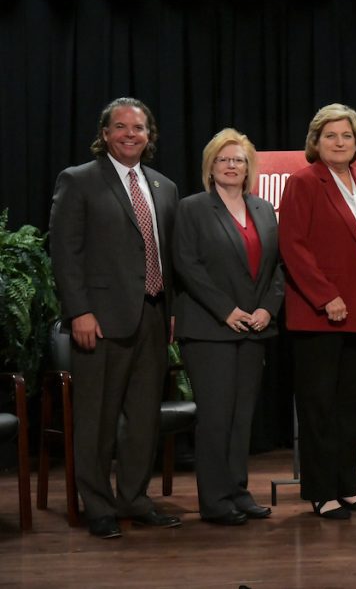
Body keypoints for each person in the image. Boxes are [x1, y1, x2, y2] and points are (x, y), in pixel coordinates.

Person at [49, 97, 181, 539]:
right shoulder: (79, 180)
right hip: (101, 319)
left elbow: (169, 256)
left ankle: (134, 500)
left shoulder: (164, 186)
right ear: (105, 134)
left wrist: (172, 312)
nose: (130, 134)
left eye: (138, 128)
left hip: (153, 315)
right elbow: (65, 252)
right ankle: (99, 507)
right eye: (120, 127)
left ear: (149, 135)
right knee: (97, 419)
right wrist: (79, 311)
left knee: (143, 419)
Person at [172, 129, 284, 526]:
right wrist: (226, 310)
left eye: (238, 160)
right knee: (216, 418)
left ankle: (238, 491)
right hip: (209, 329)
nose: (231, 165)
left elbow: (278, 267)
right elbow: (187, 265)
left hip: (254, 329)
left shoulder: (264, 209)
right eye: (223, 159)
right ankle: (215, 500)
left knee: (241, 418)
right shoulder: (192, 208)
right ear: (211, 167)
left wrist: (268, 308)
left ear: (249, 167)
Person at [278, 103, 356, 520]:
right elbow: (293, 246)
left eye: (347, 136)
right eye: (331, 136)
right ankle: (322, 492)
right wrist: (325, 296)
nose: (339, 143)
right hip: (321, 314)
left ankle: (347, 487)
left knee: (351, 405)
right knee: (319, 405)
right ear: (315, 142)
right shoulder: (303, 182)